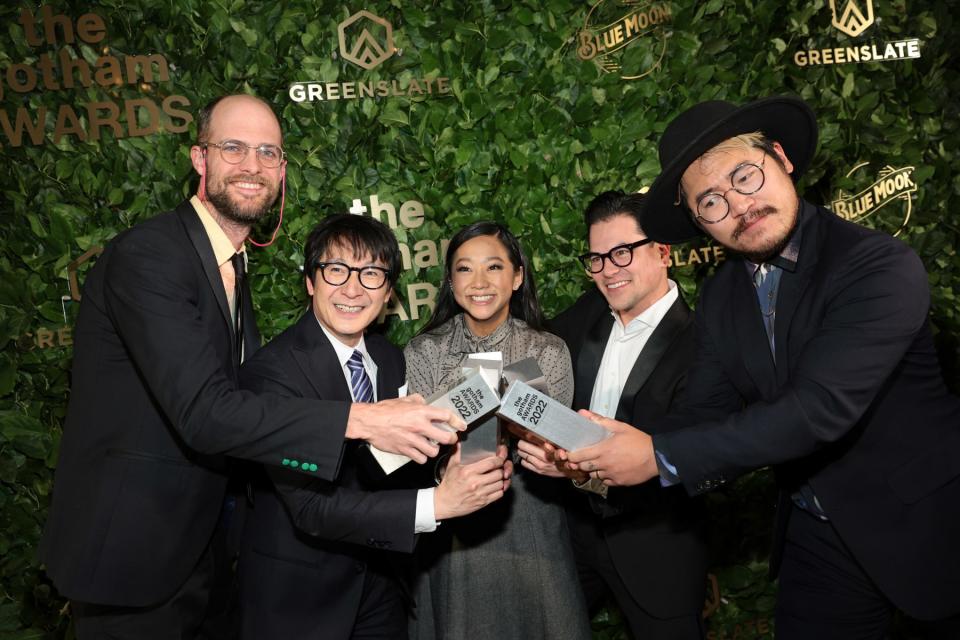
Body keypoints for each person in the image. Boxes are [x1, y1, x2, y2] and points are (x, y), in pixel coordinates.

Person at [40, 94, 464, 639]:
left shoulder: (231, 267)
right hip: (136, 557)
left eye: (268, 152)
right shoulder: (151, 256)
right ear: (200, 158)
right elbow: (204, 412)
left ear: (282, 171)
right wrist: (362, 420)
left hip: (211, 557)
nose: (252, 165)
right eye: (233, 147)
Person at [563, 96, 960, 639]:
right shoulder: (724, 294)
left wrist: (654, 455)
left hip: (928, 527)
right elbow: (704, 411)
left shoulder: (877, 266)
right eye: (710, 202)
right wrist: (601, 447)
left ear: (780, 158)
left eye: (745, 176)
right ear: (696, 221)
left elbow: (817, 411)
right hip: (816, 534)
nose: (739, 206)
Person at [238, 214, 513, 639]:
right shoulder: (271, 374)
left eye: (371, 274)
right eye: (336, 270)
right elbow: (312, 508)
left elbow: (390, 463)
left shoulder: (389, 358)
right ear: (311, 281)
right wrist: (438, 504)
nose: (352, 289)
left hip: (384, 583)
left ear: (387, 292)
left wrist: (450, 469)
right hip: (300, 601)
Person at [520, 190, 707, 639]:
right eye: (597, 259)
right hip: (573, 542)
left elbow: (685, 463)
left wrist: (574, 470)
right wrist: (534, 421)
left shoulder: (702, 345)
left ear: (663, 251)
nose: (608, 271)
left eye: (622, 253)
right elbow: (531, 353)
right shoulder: (588, 315)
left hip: (656, 550)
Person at [405, 221, 591, 640]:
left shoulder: (547, 350)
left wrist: (532, 437)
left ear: (518, 276)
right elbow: (416, 450)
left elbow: (560, 445)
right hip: (453, 528)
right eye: (465, 269)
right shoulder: (423, 351)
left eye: (494, 267)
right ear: (450, 281)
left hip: (531, 521)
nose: (480, 282)